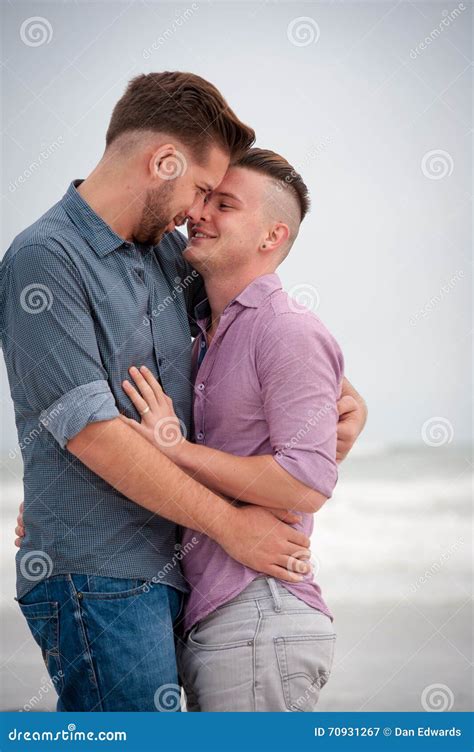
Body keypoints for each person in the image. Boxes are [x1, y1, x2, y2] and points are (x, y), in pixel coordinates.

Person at [6, 72, 366, 712]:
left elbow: (260, 324)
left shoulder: (170, 256)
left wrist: (345, 394)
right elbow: (95, 434)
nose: (198, 210)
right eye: (201, 189)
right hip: (102, 571)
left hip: (179, 575)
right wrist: (234, 529)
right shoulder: (44, 258)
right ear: (161, 161)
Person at [117, 148, 356, 711]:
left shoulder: (287, 329)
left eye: (223, 204)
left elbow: (306, 484)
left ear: (271, 236)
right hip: (222, 617)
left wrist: (175, 447)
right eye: (203, 198)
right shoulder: (206, 332)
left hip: (261, 614)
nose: (200, 213)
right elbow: (341, 400)